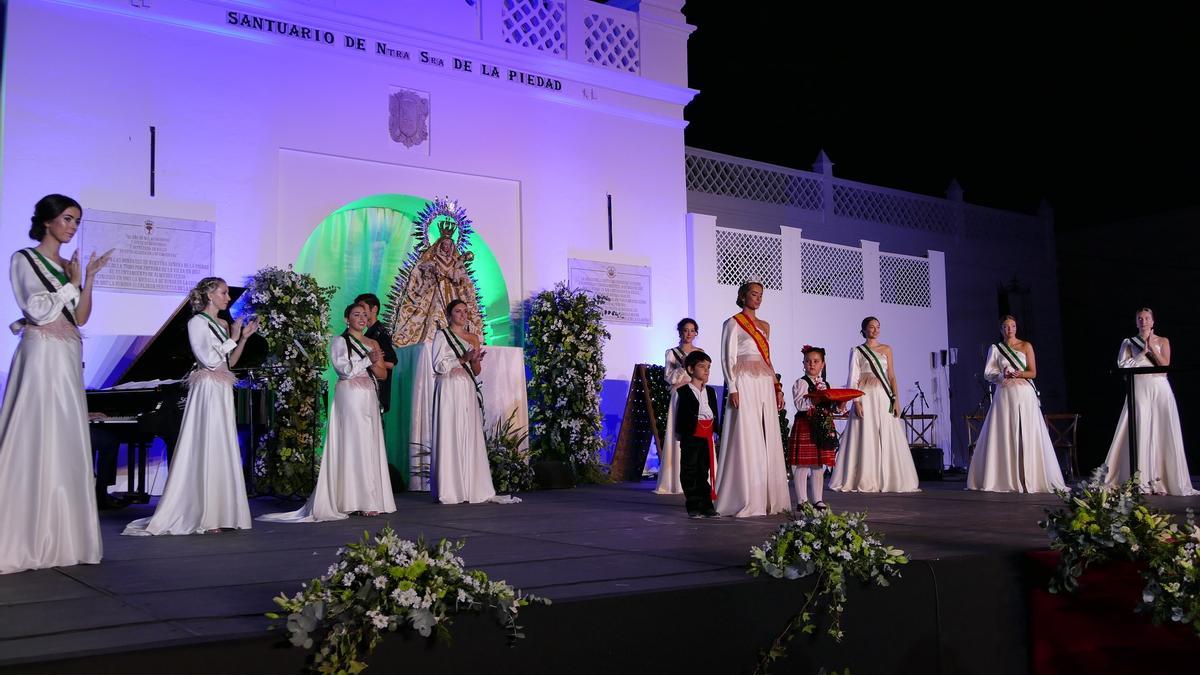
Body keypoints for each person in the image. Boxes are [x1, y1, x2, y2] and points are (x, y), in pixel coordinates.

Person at [0, 195, 112, 574]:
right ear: (47, 221)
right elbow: (37, 309)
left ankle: (64, 534)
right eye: (67, 219)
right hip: (41, 351)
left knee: (66, 435)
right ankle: (22, 534)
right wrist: (72, 282)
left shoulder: (69, 266)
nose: (72, 227)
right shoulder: (24, 259)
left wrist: (88, 280)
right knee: (35, 431)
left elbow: (78, 317)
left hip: (65, 354)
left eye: (76, 221)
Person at [123, 278, 256, 536]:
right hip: (206, 389)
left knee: (222, 444)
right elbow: (207, 359)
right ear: (209, 295)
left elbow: (228, 363)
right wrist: (233, 337)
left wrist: (243, 339)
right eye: (224, 292)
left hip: (221, 388)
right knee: (207, 443)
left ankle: (222, 511)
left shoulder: (224, 324)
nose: (228, 297)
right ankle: (203, 513)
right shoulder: (196, 322)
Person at [260, 303, 396, 522]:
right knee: (353, 443)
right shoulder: (340, 341)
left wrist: (373, 362)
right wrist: (366, 360)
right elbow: (344, 371)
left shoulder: (372, 342)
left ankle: (371, 497)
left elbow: (382, 374)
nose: (361, 318)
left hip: (369, 394)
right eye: (356, 315)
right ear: (346, 319)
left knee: (369, 442)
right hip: (350, 395)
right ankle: (353, 499)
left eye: (364, 315)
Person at [713, 282, 790, 517]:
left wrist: (777, 387)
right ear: (743, 296)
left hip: (764, 381)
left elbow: (768, 359)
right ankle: (745, 495)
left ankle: (769, 496)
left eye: (760, 295)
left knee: (767, 433)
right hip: (744, 380)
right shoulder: (733, 322)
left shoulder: (765, 326)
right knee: (747, 433)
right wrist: (733, 387)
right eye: (753, 294)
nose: (758, 299)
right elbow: (728, 358)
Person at [966, 316, 1066, 493]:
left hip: (1025, 393)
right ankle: (1006, 477)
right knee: (1006, 432)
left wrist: (1019, 373)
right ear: (1001, 329)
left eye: (1012, 326)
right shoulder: (996, 349)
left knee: (1027, 432)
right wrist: (1002, 375)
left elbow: (1033, 373)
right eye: (1005, 327)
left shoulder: (1026, 346)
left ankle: (1030, 477)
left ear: (1016, 328)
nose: (1009, 329)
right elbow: (988, 373)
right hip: (1005, 394)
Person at [1102, 308, 1196, 495]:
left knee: (1162, 429)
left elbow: (1165, 367)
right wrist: (1141, 353)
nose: (1143, 321)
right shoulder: (1129, 343)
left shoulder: (1163, 341)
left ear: (1153, 321)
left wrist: (1152, 348)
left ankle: (1163, 481)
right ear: (1136, 322)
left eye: (1146, 318)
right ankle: (1141, 480)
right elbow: (1123, 366)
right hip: (1139, 388)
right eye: (1139, 319)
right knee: (1141, 428)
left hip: (1160, 388)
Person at [830, 317, 920, 493]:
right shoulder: (857, 350)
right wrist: (855, 401)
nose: (875, 330)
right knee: (866, 433)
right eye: (871, 327)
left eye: (878, 327)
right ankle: (866, 477)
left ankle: (889, 477)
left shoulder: (887, 349)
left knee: (886, 432)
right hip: (865, 396)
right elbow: (853, 377)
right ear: (863, 330)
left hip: (884, 396)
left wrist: (896, 400)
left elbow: (892, 376)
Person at [432, 299, 503, 504]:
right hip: (448, 387)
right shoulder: (442, 335)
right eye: (458, 311)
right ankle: (451, 487)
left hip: (467, 387)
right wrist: (462, 359)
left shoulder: (473, 338)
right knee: (450, 431)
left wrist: (474, 360)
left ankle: (470, 484)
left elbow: (477, 371)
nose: (462, 315)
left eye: (465, 311)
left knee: (468, 432)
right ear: (449, 315)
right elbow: (438, 365)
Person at [390, 221, 485, 346]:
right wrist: (432, 271)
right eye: (444, 244)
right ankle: (432, 341)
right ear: (439, 245)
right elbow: (423, 269)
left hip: (453, 292)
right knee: (434, 314)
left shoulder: (455, 261)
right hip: (436, 291)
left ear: (452, 246)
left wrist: (457, 269)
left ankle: (456, 340)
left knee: (456, 312)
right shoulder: (433, 259)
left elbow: (460, 278)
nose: (446, 247)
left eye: (449, 245)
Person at [654, 318, 703, 495]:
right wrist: (683, 367)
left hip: (696, 395)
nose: (688, 333)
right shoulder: (672, 353)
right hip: (679, 396)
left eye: (692, 330)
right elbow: (669, 377)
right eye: (685, 330)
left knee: (697, 435)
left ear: (696, 332)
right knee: (679, 435)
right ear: (680, 332)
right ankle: (676, 480)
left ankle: (698, 477)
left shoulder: (700, 353)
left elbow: (704, 376)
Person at [788, 346, 837, 510]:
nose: (812, 364)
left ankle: (818, 500)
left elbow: (831, 406)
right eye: (808, 361)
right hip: (806, 424)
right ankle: (802, 500)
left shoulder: (825, 384)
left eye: (816, 361)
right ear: (803, 363)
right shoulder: (801, 382)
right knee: (802, 464)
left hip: (822, 426)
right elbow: (800, 405)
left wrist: (839, 404)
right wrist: (815, 400)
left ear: (822, 364)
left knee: (818, 465)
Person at [673, 350, 721, 518]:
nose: (706, 370)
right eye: (702, 366)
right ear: (691, 369)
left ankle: (706, 505)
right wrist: (680, 436)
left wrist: (715, 431)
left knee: (703, 471)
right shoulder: (682, 392)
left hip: (706, 436)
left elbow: (714, 413)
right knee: (689, 470)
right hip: (691, 435)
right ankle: (693, 505)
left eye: (708, 367)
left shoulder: (711, 392)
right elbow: (676, 416)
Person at [354, 293, 397, 413]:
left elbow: (391, 362)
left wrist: (369, 361)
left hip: (376, 391)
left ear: (374, 309)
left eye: (363, 307)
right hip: (365, 389)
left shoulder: (380, 333)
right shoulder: (369, 333)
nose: (360, 312)